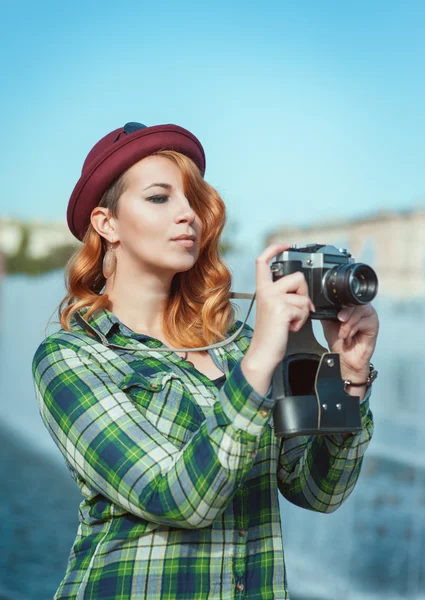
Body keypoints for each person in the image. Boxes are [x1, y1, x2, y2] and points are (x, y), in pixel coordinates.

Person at [32, 122, 379, 600]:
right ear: (106, 223)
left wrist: (350, 376)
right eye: (159, 198)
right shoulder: (72, 356)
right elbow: (174, 497)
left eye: (194, 200)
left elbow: (319, 491)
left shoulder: (239, 345)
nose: (188, 215)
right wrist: (259, 364)